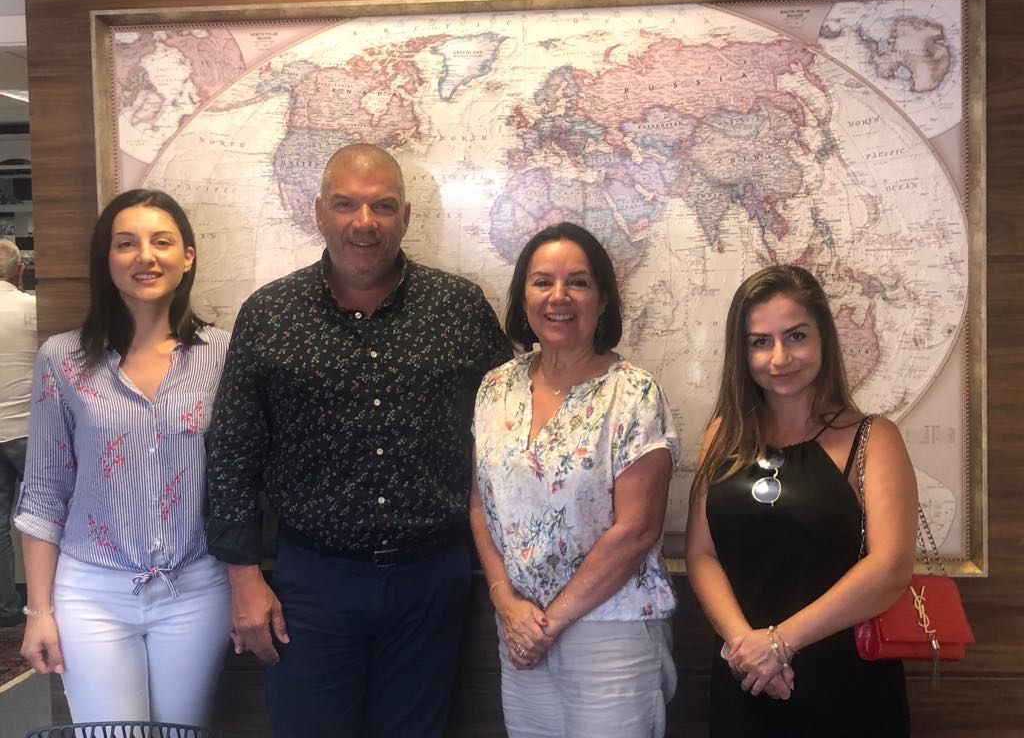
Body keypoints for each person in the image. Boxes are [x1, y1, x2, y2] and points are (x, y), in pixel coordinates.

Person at [205, 143, 510, 738]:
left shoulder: (459, 309)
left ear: (406, 217)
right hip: (312, 584)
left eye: (382, 206)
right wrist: (243, 581)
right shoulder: (270, 315)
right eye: (345, 204)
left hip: (431, 581)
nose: (363, 222)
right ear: (319, 212)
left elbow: (508, 430)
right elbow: (233, 456)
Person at [14, 189, 231, 725]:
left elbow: (241, 480)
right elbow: (44, 492)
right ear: (107, 258)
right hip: (91, 590)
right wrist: (38, 611)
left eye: (162, 242)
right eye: (126, 243)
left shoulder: (224, 355)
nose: (145, 256)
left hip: (195, 588)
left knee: (182, 733)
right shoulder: (63, 359)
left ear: (188, 256)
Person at [685, 264, 918, 737]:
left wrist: (780, 644)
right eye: (760, 342)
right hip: (745, 676)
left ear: (823, 338)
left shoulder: (874, 438)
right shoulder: (721, 436)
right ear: (741, 352)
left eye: (795, 336)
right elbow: (702, 554)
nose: (779, 357)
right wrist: (747, 647)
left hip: (846, 688)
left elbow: (890, 568)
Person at [470, 222, 679, 738]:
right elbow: (481, 503)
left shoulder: (633, 394)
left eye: (578, 282)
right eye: (543, 281)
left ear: (603, 300)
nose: (558, 296)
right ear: (523, 297)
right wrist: (505, 603)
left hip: (611, 633)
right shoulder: (496, 387)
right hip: (519, 628)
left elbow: (637, 529)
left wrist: (552, 622)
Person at [0, 239, 36, 627]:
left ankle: (7, 609)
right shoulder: (33, 309)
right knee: (47, 517)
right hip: (29, 432)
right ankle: (54, 600)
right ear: (20, 270)